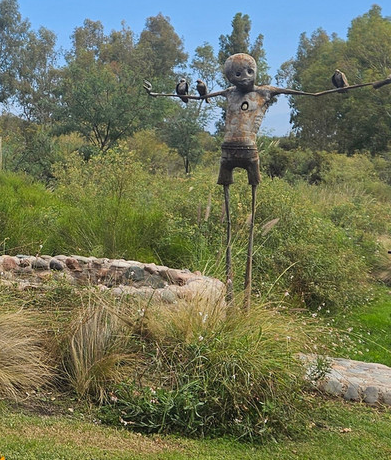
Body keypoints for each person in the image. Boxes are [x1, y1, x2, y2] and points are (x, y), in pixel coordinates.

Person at [145, 53, 365, 307]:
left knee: (251, 218)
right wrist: (159, 94)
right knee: (226, 221)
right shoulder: (229, 93)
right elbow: (199, 97)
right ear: (229, 76)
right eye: (237, 74)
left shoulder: (265, 92)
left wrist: (340, 89)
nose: (244, 78)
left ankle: (245, 299)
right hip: (227, 151)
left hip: (250, 152)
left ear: (255, 71)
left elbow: (305, 93)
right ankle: (229, 295)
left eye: (248, 72)